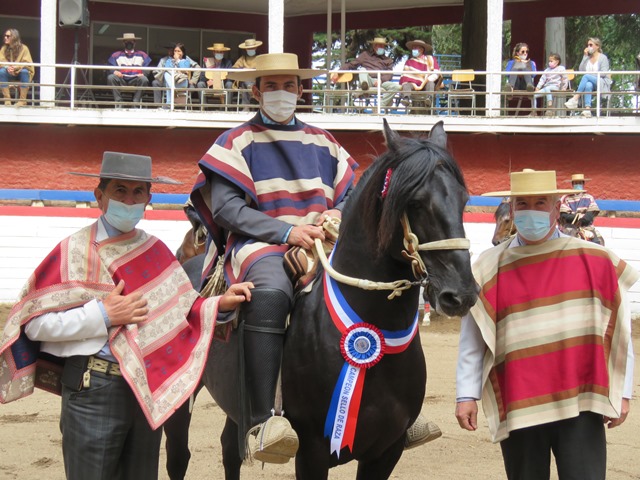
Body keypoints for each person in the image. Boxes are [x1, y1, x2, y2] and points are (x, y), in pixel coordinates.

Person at [190, 52, 439, 463]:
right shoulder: (234, 142)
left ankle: (403, 410)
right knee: (271, 293)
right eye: (272, 86)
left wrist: (335, 214)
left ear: (300, 90)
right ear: (256, 92)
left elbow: (353, 195)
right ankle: (264, 419)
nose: (281, 93)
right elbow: (227, 210)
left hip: (326, 239)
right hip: (262, 243)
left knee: (382, 284)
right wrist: (288, 232)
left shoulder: (324, 140)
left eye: (289, 85)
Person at [0, 151, 253, 480]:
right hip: (93, 388)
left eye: (138, 192)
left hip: (145, 391)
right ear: (99, 196)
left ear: (149, 199)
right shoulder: (74, 251)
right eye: (120, 190)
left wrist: (219, 304)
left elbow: (183, 310)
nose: (129, 200)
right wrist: (102, 315)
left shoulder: (156, 251)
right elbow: (33, 324)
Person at [455, 168, 638, 480]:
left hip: (581, 399)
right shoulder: (488, 267)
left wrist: (622, 392)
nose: (531, 211)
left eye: (540, 203)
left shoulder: (595, 260)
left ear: (556, 208)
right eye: (523, 203)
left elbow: (619, 329)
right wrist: (465, 395)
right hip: (520, 401)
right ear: (512, 211)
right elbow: (473, 337)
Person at [330, 36, 401, 110]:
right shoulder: (365, 55)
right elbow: (351, 64)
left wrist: (380, 80)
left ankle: (378, 107)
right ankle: (365, 85)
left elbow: (389, 74)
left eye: (383, 46)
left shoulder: (388, 60)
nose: (382, 47)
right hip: (368, 79)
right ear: (374, 46)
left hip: (381, 82)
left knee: (397, 87)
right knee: (362, 69)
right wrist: (338, 72)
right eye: (380, 45)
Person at [564, 37, 612, 118]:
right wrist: (585, 56)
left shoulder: (603, 57)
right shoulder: (588, 58)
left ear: (597, 46)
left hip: (602, 82)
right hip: (591, 83)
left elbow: (604, 73)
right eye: (588, 45)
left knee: (586, 76)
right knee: (588, 84)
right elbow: (581, 70)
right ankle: (587, 109)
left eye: (591, 45)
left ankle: (575, 98)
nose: (588, 47)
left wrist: (590, 75)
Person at [106, 33, 152, 107]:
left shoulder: (142, 54)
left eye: (131, 41)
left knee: (144, 79)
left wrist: (144, 73)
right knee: (111, 77)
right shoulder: (116, 55)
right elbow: (109, 67)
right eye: (127, 41)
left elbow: (148, 68)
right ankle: (119, 102)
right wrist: (114, 71)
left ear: (135, 43)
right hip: (122, 79)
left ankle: (135, 103)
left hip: (135, 80)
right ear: (123, 43)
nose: (129, 43)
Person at [399, 39, 442, 111]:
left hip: (426, 82)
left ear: (421, 50)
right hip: (412, 83)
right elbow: (405, 75)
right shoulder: (409, 62)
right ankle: (406, 98)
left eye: (415, 48)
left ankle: (429, 99)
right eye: (413, 48)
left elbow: (436, 72)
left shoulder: (430, 59)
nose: (413, 50)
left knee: (430, 83)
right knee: (406, 85)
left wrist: (427, 79)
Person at [559, 173, 602, 242]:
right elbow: (564, 215)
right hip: (569, 226)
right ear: (572, 184)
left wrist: (582, 220)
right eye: (576, 183)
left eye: (580, 183)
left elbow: (591, 214)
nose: (578, 185)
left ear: (583, 184)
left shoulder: (589, 197)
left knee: (596, 242)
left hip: (586, 226)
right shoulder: (566, 198)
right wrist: (577, 217)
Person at [0, 28, 34, 106]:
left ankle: (22, 100)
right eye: (5, 36)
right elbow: (1, 60)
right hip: (9, 72)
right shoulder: (4, 48)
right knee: (1, 72)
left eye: (8, 36)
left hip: (20, 72)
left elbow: (28, 63)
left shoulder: (24, 48)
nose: (5, 37)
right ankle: (7, 100)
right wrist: (7, 67)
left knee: (25, 72)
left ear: (14, 37)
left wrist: (16, 67)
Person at [161, 42, 199, 106]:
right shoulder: (169, 60)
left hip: (181, 81)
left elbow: (184, 70)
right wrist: (174, 61)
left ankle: (169, 103)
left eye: (179, 51)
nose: (177, 53)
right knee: (166, 74)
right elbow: (167, 69)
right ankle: (173, 90)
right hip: (172, 81)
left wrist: (178, 60)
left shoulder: (186, 61)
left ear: (183, 53)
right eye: (175, 51)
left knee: (169, 84)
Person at [197, 42, 234, 107]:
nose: (219, 53)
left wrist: (217, 81)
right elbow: (202, 76)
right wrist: (207, 81)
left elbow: (230, 76)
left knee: (229, 84)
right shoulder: (208, 62)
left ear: (223, 53)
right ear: (213, 52)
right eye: (217, 52)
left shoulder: (227, 62)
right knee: (200, 84)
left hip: (223, 84)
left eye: (221, 52)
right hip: (210, 84)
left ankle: (227, 107)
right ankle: (204, 107)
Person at [232, 38, 262, 109]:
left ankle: (252, 99)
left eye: (252, 48)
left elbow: (264, 67)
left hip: (256, 79)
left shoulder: (260, 58)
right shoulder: (242, 58)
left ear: (256, 48)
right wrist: (242, 70)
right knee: (245, 82)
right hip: (245, 80)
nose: (250, 50)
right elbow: (234, 68)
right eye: (249, 48)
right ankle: (246, 106)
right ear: (246, 49)